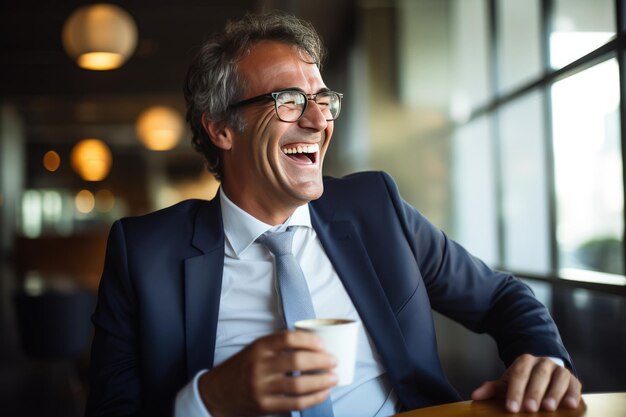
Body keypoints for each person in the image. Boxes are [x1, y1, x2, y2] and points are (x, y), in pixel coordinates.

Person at [85, 11, 582, 417]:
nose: (319, 119)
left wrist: (543, 359)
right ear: (220, 129)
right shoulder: (144, 252)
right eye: (289, 100)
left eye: (323, 99)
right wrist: (209, 400)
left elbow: (499, 296)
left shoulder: (375, 207)